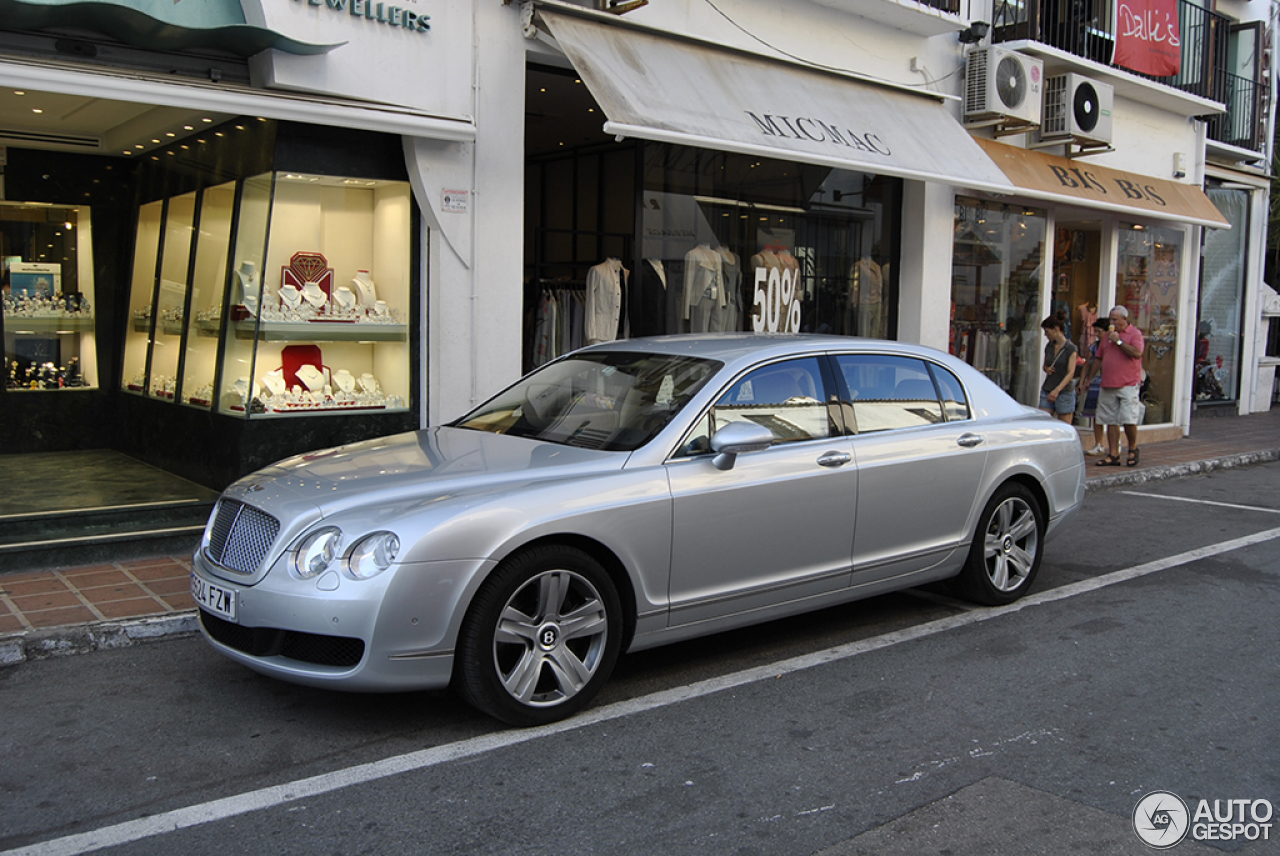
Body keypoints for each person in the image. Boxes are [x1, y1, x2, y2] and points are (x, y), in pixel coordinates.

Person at [1093, 305, 1145, 467]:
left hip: (1127, 383)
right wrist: (1088, 378)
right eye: (1111, 319)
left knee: (1129, 419)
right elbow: (1099, 358)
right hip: (1108, 383)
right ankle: (1113, 454)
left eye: (1115, 319)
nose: (1112, 322)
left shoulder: (1134, 334)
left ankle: (1132, 448)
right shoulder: (1106, 337)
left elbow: (1136, 353)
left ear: (1125, 319)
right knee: (1110, 419)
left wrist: (1119, 341)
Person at [1074, 316, 1110, 455]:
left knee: (1111, 414)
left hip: (1109, 381)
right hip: (1095, 382)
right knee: (1096, 415)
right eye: (1096, 331)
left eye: (1100, 331)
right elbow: (1087, 365)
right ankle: (1099, 442)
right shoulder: (1093, 347)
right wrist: (1083, 381)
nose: (1097, 334)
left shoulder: (1112, 347)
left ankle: (1114, 441)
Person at [1038, 313, 1078, 424]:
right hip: (1048, 387)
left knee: (1064, 424)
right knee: (1043, 421)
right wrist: (1047, 369)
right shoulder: (1049, 346)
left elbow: (1070, 373)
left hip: (1064, 391)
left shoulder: (1070, 348)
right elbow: (1045, 365)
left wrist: (1057, 390)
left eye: (1047, 332)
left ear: (1056, 329)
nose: (1046, 335)